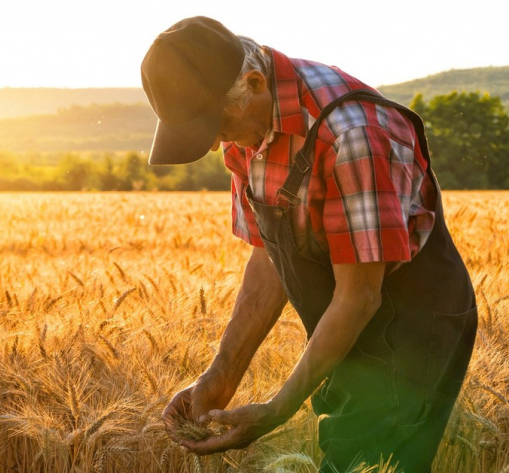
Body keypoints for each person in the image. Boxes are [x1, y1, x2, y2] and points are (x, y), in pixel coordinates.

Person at [141, 16, 477, 472]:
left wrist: (278, 411)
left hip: (409, 328)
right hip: (342, 323)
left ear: (255, 83)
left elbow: (359, 296)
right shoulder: (247, 126)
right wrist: (221, 376)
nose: (217, 142)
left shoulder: (352, 136)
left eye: (216, 125)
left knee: (356, 462)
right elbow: (269, 257)